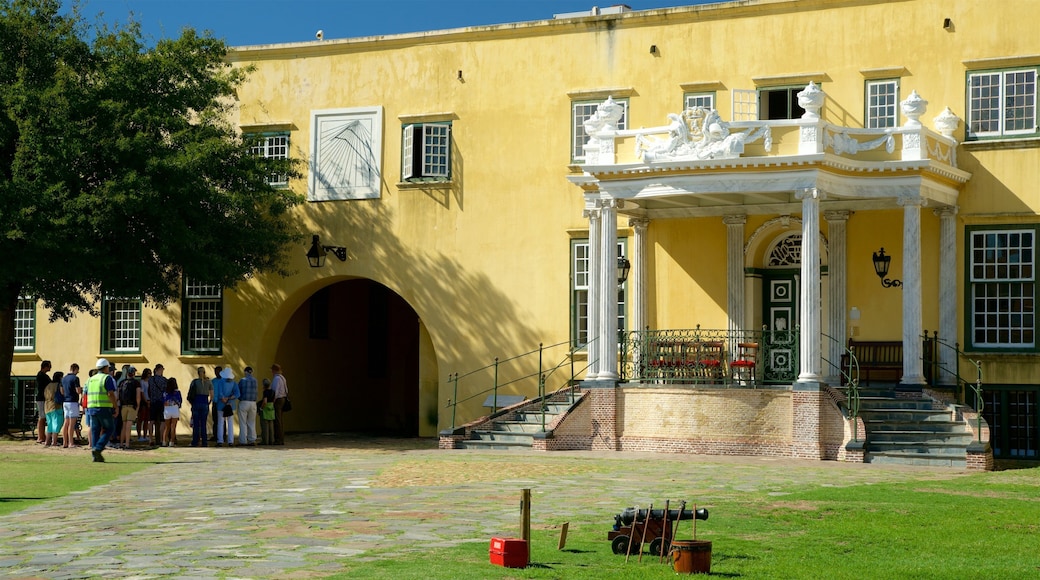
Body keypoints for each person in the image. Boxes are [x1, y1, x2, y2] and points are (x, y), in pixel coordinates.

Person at [86, 359, 118, 462]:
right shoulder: (107, 378)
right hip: (104, 407)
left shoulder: (90, 379)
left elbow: (85, 393)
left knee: (95, 430)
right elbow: (110, 394)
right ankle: (98, 448)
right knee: (110, 429)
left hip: (92, 408)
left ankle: (95, 455)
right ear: (105, 368)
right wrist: (115, 406)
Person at [187, 367, 212, 447]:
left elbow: (190, 394)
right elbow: (212, 394)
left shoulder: (194, 382)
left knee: (196, 423)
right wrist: (209, 402)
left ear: (198, 373)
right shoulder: (209, 382)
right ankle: (204, 442)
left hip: (196, 402)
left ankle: (195, 441)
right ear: (204, 372)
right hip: (205, 402)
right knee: (203, 423)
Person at [118, 366, 142, 450]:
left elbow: (118, 395)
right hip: (132, 406)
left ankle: (121, 443)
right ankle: (127, 444)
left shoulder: (121, 382)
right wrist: (138, 406)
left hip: (123, 406)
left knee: (124, 425)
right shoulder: (136, 383)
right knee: (129, 425)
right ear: (134, 374)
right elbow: (138, 396)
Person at [213, 368, 239, 447]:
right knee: (230, 423)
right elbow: (237, 394)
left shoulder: (220, 382)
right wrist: (230, 398)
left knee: (220, 423)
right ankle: (231, 441)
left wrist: (224, 399)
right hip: (230, 405)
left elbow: (219, 393)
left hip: (221, 405)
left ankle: (220, 441)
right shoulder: (234, 383)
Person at [61, 364, 82, 448]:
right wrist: (81, 389)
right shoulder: (75, 378)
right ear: (75, 369)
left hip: (65, 402)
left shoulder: (63, 378)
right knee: (72, 423)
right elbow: (78, 391)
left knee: (66, 422)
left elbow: (62, 391)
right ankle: (71, 442)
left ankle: (65, 442)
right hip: (73, 402)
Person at [237, 366, 259, 446]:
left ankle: (243, 440)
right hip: (253, 402)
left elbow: (238, 391)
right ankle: (252, 439)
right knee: (251, 422)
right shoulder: (255, 381)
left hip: (244, 402)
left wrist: (240, 398)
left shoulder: (242, 380)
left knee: (243, 422)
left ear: (245, 372)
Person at [43, 372, 64, 447]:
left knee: (49, 425)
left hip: (47, 406)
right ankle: (54, 441)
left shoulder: (48, 385)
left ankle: (47, 441)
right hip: (56, 406)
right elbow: (62, 393)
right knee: (56, 424)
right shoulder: (58, 385)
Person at [148, 364, 168, 446]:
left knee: (151, 421)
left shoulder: (150, 379)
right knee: (162, 421)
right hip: (161, 402)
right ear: (159, 370)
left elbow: (149, 390)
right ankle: (161, 439)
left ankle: (150, 439)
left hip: (153, 401)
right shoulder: (164, 380)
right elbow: (166, 390)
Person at [162, 378, 182, 447]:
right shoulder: (177, 392)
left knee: (166, 427)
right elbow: (180, 401)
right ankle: (171, 442)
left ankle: (164, 442)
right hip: (174, 409)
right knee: (173, 427)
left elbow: (163, 401)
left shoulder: (165, 392)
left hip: (167, 409)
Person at [35, 360, 52, 444]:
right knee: (42, 417)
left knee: (42, 417)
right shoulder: (42, 375)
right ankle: (40, 437)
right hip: (42, 398)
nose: (50, 368)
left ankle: (42, 436)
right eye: (49, 366)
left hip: (43, 398)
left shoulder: (42, 375)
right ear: (45, 366)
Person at [271, 363, 288, 446]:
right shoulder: (282, 378)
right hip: (283, 398)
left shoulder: (276, 378)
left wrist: (273, 400)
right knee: (280, 419)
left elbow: (275, 390)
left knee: (277, 420)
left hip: (278, 399)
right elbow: (286, 389)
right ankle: (281, 438)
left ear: (274, 370)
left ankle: (278, 439)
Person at [136, 368, 152, 443]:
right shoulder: (142, 382)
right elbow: (142, 393)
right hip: (143, 402)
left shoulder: (150, 382)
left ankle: (145, 435)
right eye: (148, 373)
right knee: (140, 419)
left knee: (146, 420)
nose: (149, 375)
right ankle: (139, 435)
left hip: (149, 401)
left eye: (150, 373)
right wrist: (146, 401)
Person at [259, 378, 275, 445]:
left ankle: (265, 441)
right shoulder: (273, 391)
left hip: (265, 409)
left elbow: (265, 401)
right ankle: (272, 440)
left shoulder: (265, 392)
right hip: (271, 407)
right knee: (271, 425)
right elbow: (274, 399)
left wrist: (261, 408)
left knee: (265, 425)